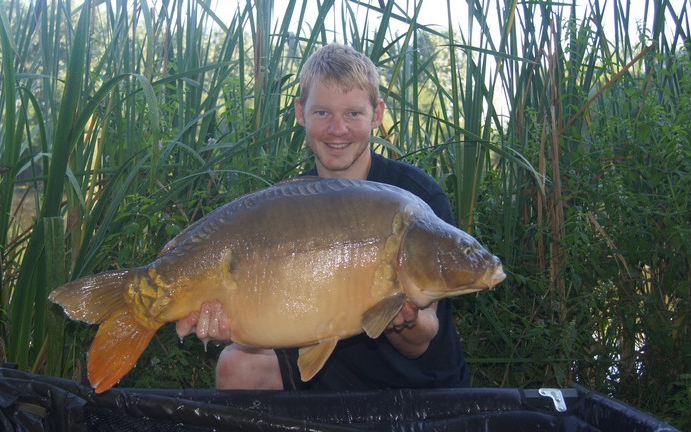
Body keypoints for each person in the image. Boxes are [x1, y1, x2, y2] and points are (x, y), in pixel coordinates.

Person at [175, 43, 470, 390]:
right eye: (322, 113)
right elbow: (272, 313)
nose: (337, 129)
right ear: (301, 112)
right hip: (324, 371)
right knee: (236, 365)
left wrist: (400, 317)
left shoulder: (416, 199)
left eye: (353, 114)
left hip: (417, 385)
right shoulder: (289, 205)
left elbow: (421, 341)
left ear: (377, 114)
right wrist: (235, 321)